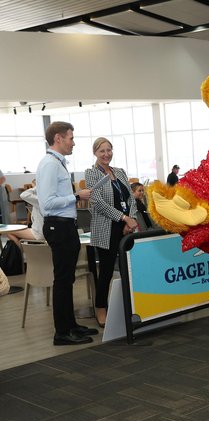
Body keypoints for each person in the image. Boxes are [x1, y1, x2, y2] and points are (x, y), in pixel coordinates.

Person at [36, 121, 98, 345]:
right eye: (71, 138)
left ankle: (70, 325)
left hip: (65, 225)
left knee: (67, 279)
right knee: (62, 280)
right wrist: (77, 196)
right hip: (58, 225)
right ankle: (61, 332)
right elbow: (47, 204)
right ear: (58, 139)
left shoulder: (57, 163)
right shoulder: (50, 165)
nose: (74, 142)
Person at [85, 137, 139, 327]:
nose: (106, 154)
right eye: (102, 151)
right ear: (95, 153)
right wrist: (123, 218)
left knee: (130, 270)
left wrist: (130, 219)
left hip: (126, 227)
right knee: (107, 271)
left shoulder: (120, 172)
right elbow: (98, 203)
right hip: (107, 227)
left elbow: (131, 199)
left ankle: (130, 306)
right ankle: (101, 308)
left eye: (109, 150)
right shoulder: (92, 173)